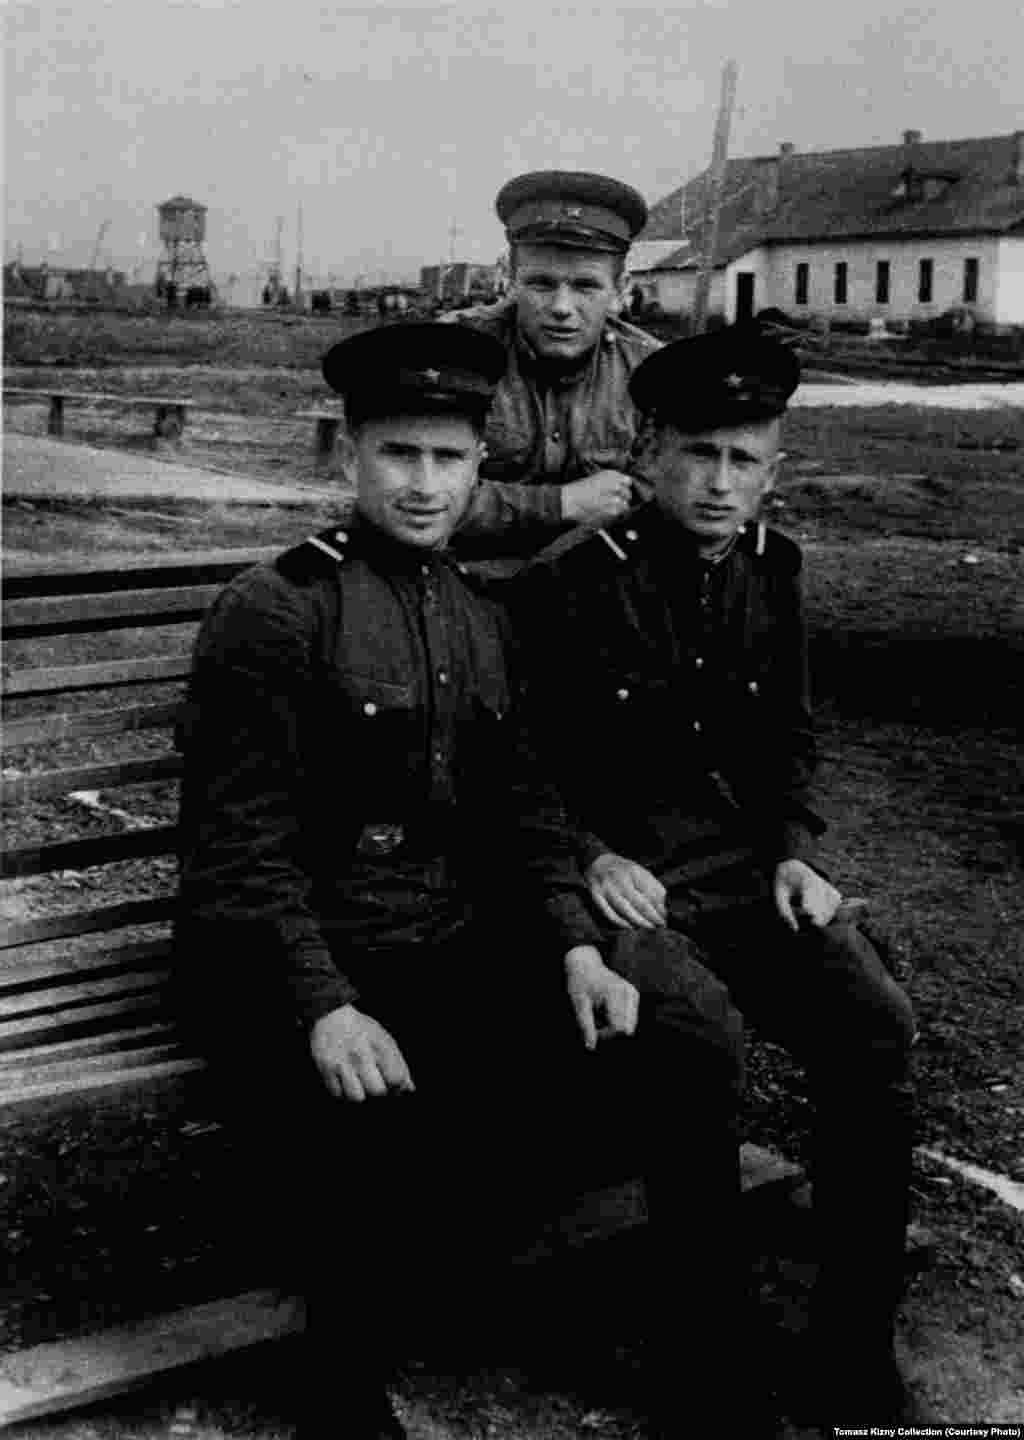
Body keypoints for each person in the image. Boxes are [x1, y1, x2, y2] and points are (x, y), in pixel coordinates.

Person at [174, 321, 751, 1439]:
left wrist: (575, 944)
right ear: (346, 458)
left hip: (429, 935)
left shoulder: (478, 617)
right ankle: (340, 1394)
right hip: (287, 955)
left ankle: (702, 1363)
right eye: (399, 454)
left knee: (667, 1041)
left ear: (479, 467)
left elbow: (523, 812)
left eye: (448, 458)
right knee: (381, 1100)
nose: (425, 484)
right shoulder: (279, 609)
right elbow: (239, 853)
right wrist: (326, 1008)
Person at [504, 323, 919, 1428]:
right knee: (697, 1040)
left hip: (738, 865)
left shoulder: (774, 569)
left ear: (773, 470)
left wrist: (793, 851)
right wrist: (591, 855)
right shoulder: (569, 584)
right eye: (697, 453)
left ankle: (852, 1341)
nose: (719, 481)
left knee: (874, 1023)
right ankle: (704, 1351)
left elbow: (785, 737)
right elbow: (520, 772)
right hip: (617, 875)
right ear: (647, 458)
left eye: (745, 459)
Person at [449, 170, 661, 562]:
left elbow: (660, 511)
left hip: (600, 588)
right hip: (468, 583)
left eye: (585, 286)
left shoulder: (651, 372)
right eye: (542, 284)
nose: (562, 307)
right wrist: (561, 503)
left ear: (620, 290)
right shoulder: (453, 353)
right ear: (510, 280)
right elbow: (430, 499)